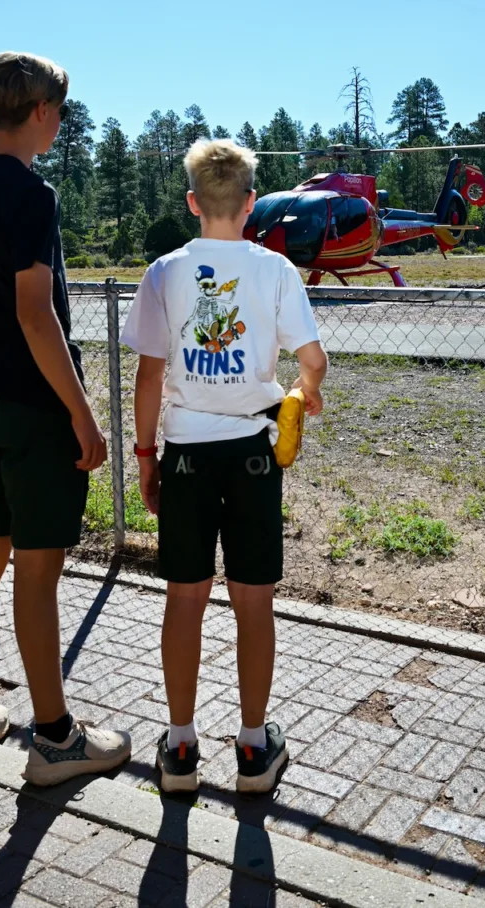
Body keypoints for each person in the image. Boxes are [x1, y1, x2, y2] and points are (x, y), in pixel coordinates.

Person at [0, 51, 131, 785]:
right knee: (38, 572)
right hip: (32, 400)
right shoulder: (31, 192)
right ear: (43, 112)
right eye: (61, 110)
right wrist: (82, 414)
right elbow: (36, 313)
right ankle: (54, 738)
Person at [121, 138, 328, 794]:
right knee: (253, 601)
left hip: (185, 453)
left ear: (191, 203)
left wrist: (148, 456)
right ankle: (252, 746)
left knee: (184, 597)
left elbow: (148, 378)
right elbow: (313, 361)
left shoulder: (163, 272)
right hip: (253, 456)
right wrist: (301, 395)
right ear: (248, 204)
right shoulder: (275, 272)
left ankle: (180, 748)